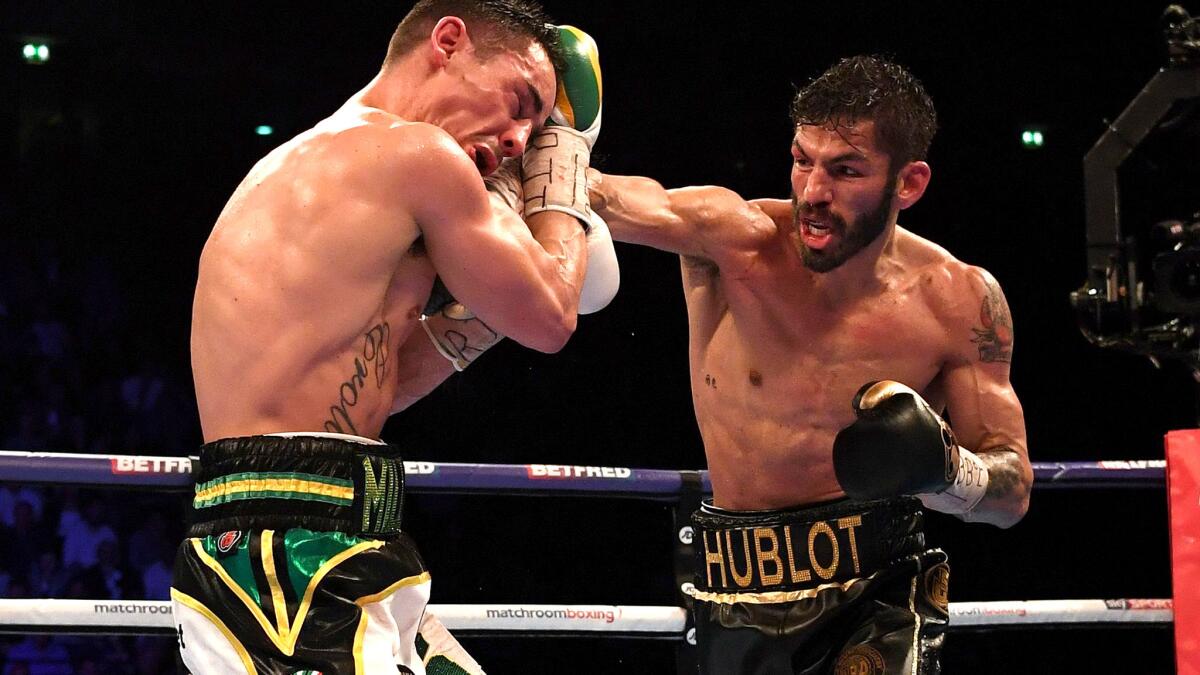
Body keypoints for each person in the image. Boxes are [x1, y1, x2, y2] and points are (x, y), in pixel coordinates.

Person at [174, 1, 611, 672]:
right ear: (448, 41)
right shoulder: (418, 154)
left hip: (318, 533)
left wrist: (491, 304)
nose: (523, 137)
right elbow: (553, 315)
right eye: (520, 101)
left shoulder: (329, 162)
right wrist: (565, 160)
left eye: (538, 126)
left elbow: (376, 384)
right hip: (292, 559)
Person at [587, 55, 1032, 674]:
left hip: (877, 589)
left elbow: (1012, 492)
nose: (814, 194)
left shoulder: (958, 300)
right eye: (803, 161)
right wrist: (546, 161)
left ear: (908, 184)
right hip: (731, 583)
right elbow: (622, 199)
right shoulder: (734, 241)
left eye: (846, 171)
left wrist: (948, 471)